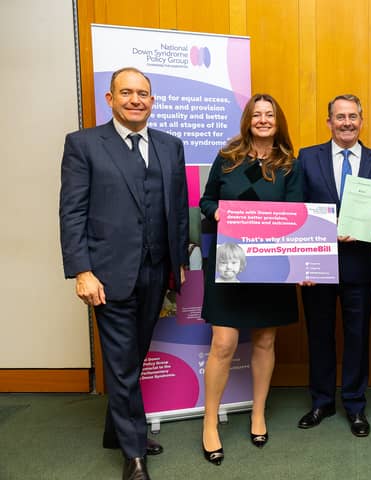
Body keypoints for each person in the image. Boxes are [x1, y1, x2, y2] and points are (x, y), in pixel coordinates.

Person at [59, 67, 189, 480]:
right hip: (108, 275)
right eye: (127, 93)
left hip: (157, 272)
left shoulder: (171, 146)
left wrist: (179, 264)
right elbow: (72, 212)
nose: (136, 100)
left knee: (132, 357)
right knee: (119, 361)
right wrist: (82, 270)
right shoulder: (84, 145)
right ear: (110, 99)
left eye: (143, 94)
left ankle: (117, 430)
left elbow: (179, 209)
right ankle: (134, 455)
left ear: (153, 101)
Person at [199, 93, 302, 465]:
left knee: (265, 338)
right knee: (223, 343)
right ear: (248, 119)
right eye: (256, 114)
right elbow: (206, 202)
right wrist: (221, 214)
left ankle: (258, 412)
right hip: (230, 258)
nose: (262, 120)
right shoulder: (228, 158)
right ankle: (210, 422)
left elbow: (297, 215)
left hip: (271, 264)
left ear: (278, 121)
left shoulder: (289, 164)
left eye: (269, 115)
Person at [297, 94, 371, 437]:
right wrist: (304, 258)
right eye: (340, 116)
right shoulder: (307, 158)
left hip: (359, 267)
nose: (347, 122)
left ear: (361, 121)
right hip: (317, 264)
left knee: (357, 337)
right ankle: (321, 401)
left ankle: (354, 404)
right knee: (319, 336)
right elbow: (299, 210)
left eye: (353, 116)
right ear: (329, 122)